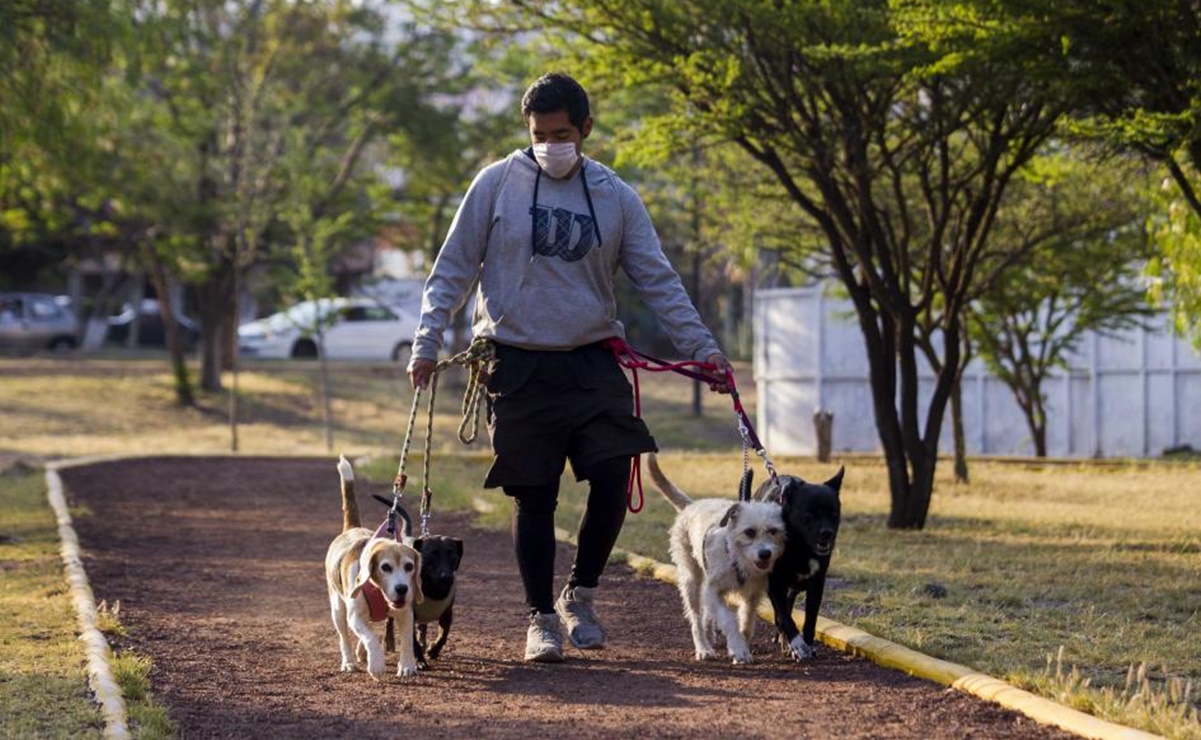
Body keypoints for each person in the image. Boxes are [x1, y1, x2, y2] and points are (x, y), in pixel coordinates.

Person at [408, 71, 732, 663]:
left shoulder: (615, 196)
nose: (549, 145)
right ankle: (540, 621)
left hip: (591, 361)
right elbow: (452, 267)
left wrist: (704, 350)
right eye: (539, 134)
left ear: (585, 129)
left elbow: (658, 280)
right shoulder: (496, 184)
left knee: (614, 474)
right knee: (534, 498)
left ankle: (579, 594)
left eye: (561, 133)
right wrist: (426, 342)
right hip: (517, 364)